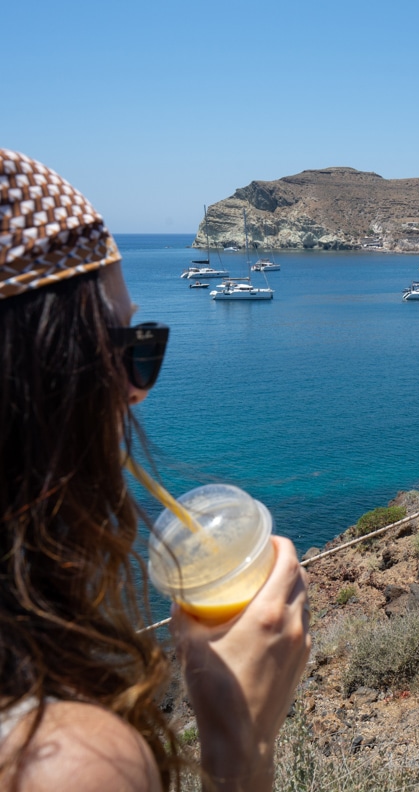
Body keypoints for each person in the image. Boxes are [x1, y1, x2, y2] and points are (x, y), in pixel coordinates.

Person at [0, 148, 311, 791]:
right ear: (36, 384)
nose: (135, 392)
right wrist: (240, 743)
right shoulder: (60, 762)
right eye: (126, 349)